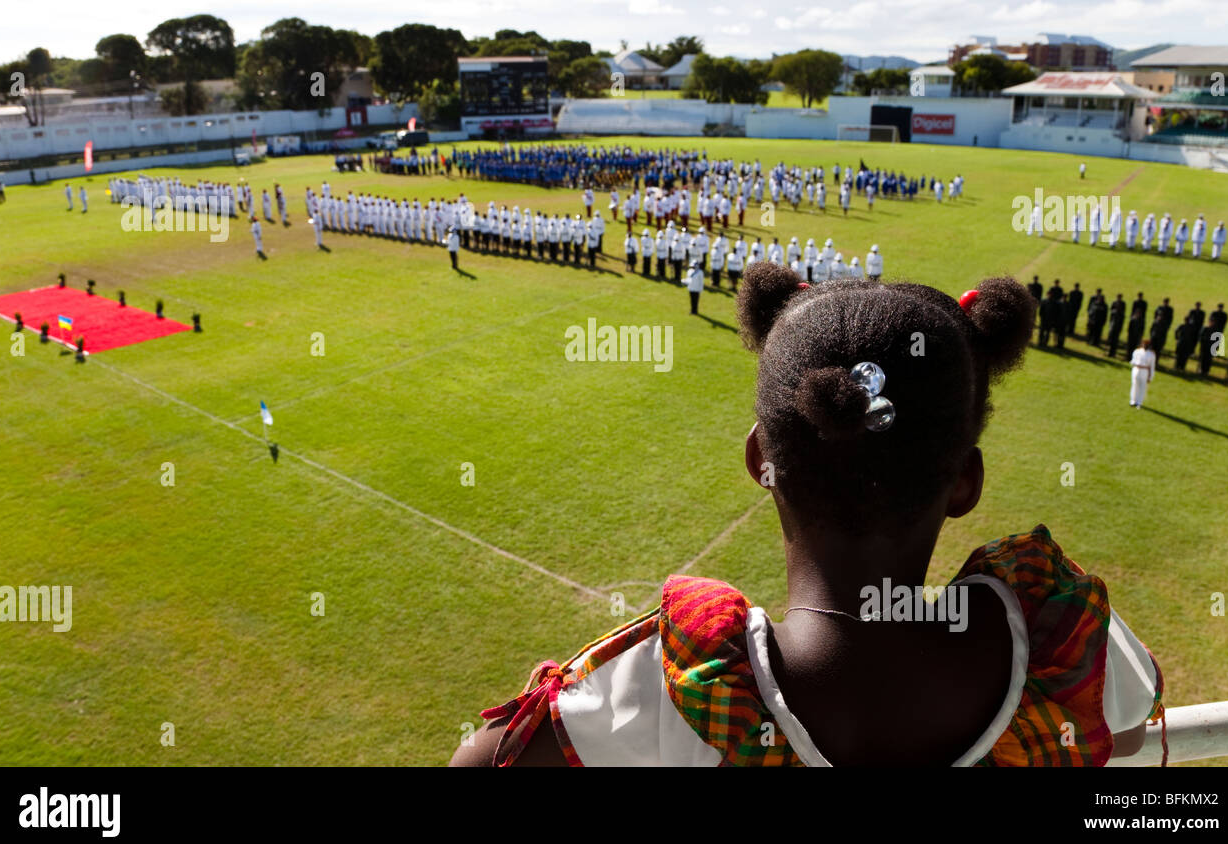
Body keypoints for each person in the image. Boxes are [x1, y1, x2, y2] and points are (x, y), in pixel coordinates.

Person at [452, 269, 1162, 767]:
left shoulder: (672, 695)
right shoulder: (1057, 638)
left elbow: (485, 757)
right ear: (965, 482)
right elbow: (1125, 724)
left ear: (762, 458)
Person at [1129, 339, 1156, 409]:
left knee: (1142, 387)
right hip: (1136, 369)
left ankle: (1139, 402)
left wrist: (1150, 377)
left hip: (1144, 371)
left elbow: (1152, 367)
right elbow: (1133, 361)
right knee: (1134, 385)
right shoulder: (1137, 351)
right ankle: (1133, 400)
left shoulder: (1151, 354)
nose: (1144, 346)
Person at [1106, 294, 1126, 358]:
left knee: (1115, 341)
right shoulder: (1113, 313)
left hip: (1117, 329)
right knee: (1110, 340)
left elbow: (1121, 322)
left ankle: (1113, 353)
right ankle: (1109, 352)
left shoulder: (1121, 315)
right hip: (1112, 328)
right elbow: (1110, 319)